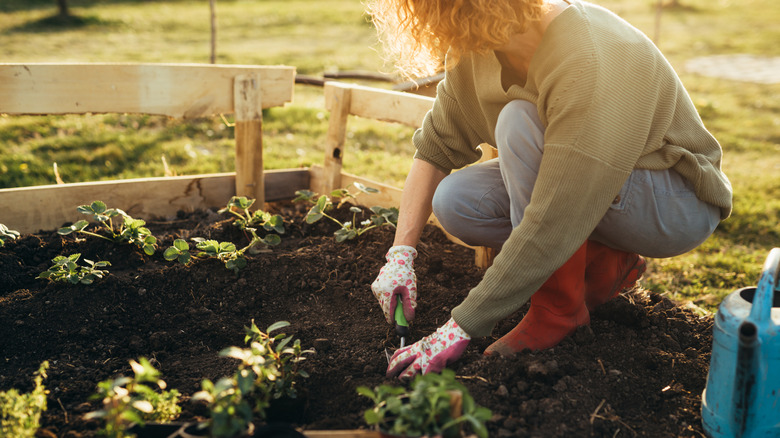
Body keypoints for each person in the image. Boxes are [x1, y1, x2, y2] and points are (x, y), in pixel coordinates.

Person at [367, 0, 733, 379]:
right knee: (457, 201)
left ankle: (558, 311)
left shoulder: (586, 55)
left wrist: (458, 328)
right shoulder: (478, 50)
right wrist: (400, 254)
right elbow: (434, 147)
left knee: (517, 122)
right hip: (598, 189)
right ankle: (604, 261)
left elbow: (554, 215)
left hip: (674, 201)